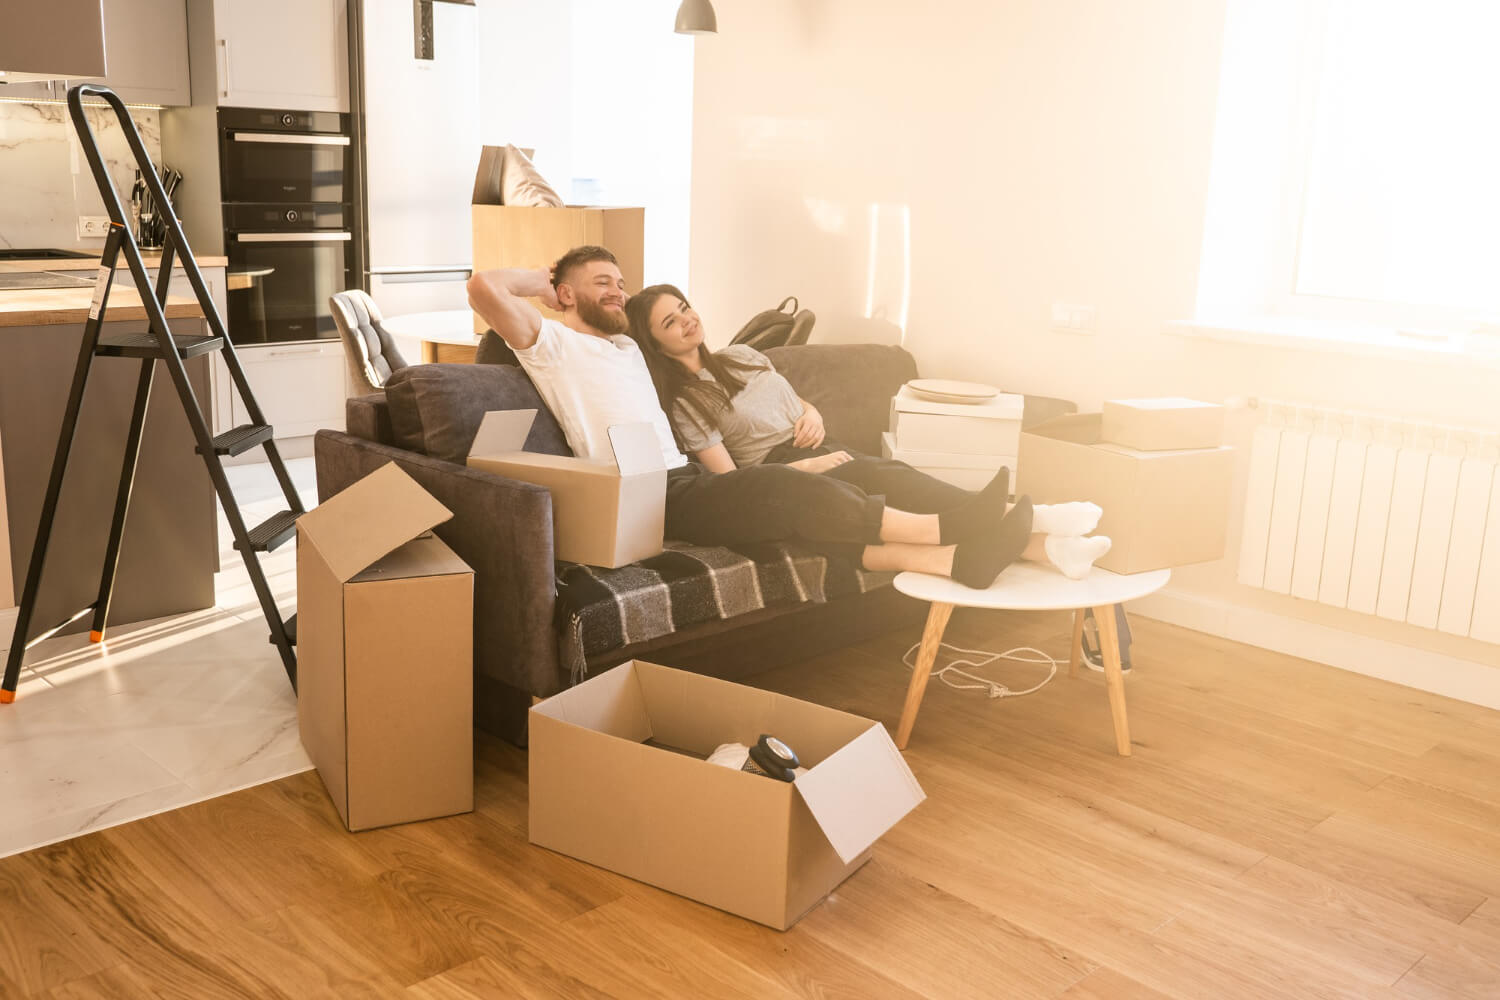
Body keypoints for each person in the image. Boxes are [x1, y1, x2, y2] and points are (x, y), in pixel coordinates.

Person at [465, 246, 1034, 588]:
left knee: (791, 522)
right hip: (646, 492)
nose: (617, 291)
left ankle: (960, 559)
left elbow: (681, 352)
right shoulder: (554, 346)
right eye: (601, 283)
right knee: (781, 489)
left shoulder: (630, 348)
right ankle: (949, 526)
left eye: (620, 282)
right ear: (565, 293)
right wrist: (541, 283)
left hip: (680, 477)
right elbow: (483, 287)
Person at [624, 282, 1113, 578]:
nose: (686, 320)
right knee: (888, 476)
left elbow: (790, 400)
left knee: (885, 475)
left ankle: (1049, 548)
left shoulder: (743, 355)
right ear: (657, 343)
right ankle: (1037, 519)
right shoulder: (687, 401)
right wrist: (807, 467)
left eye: (685, 307)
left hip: (815, 441)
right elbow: (729, 482)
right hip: (780, 470)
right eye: (671, 321)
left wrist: (811, 413)